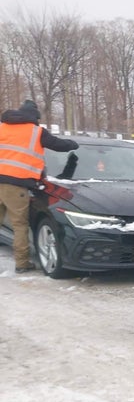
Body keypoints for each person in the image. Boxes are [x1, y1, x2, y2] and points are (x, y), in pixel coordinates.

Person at [0, 100, 78, 273]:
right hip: (15, 185)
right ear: (35, 116)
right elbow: (58, 145)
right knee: (19, 224)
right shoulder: (36, 132)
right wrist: (73, 145)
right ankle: (22, 263)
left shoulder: (2, 127)